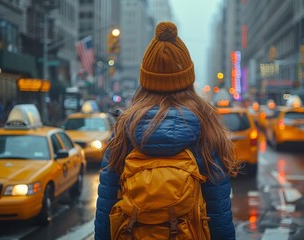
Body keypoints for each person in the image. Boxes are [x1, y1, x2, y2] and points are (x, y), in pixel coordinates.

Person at [94, 22, 240, 240]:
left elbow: (107, 201)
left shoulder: (126, 127)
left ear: (145, 80)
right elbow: (218, 209)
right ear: (187, 79)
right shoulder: (206, 127)